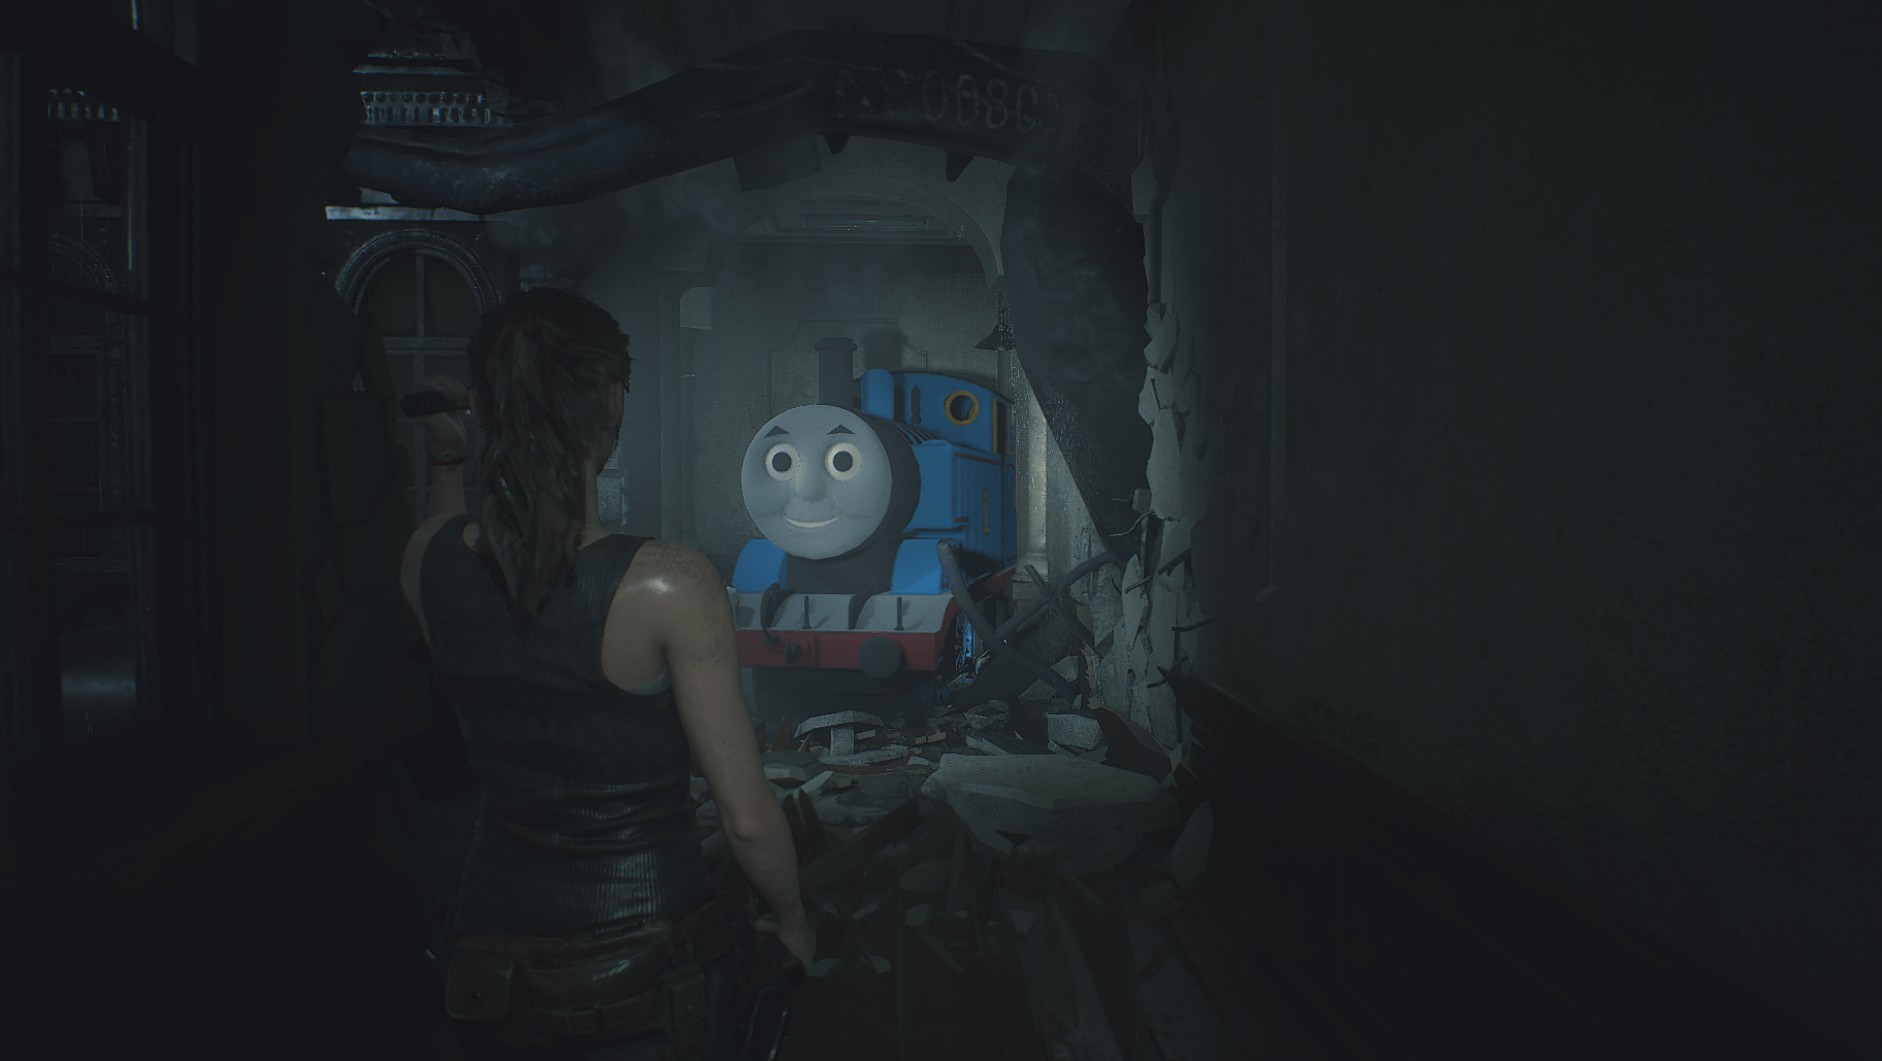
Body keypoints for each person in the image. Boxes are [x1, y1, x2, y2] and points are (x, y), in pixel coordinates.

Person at [397, 288, 814, 1060]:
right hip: (647, 974)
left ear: (484, 406)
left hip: (490, 969)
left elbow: (448, 542)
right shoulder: (667, 582)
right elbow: (747, 818)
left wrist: (449, 456)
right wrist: (790, 918)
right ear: (615, 400)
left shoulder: (426, 561)